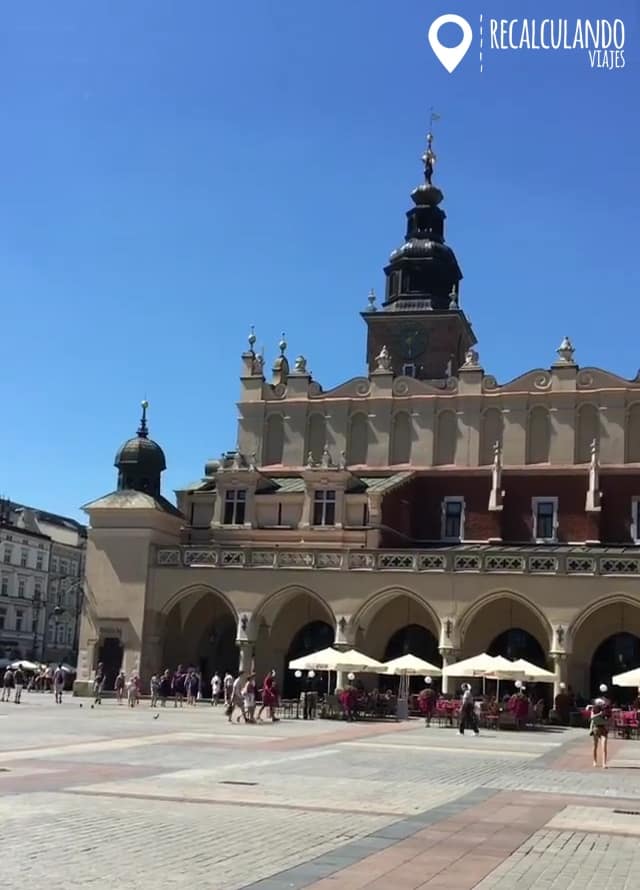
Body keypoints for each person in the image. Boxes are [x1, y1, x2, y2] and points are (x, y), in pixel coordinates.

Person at [590, 698, 608, 768]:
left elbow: (608, 719)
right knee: (595, 746)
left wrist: (606, 719)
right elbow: (592, 717)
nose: (601, 705)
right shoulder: (593, 710)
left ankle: (604, 763)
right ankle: (595, 761)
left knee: (604, 747)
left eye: (601, 704)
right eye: (599, 704)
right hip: (596, 728)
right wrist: (599, 714)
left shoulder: (605, 711)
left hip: (603, 728)